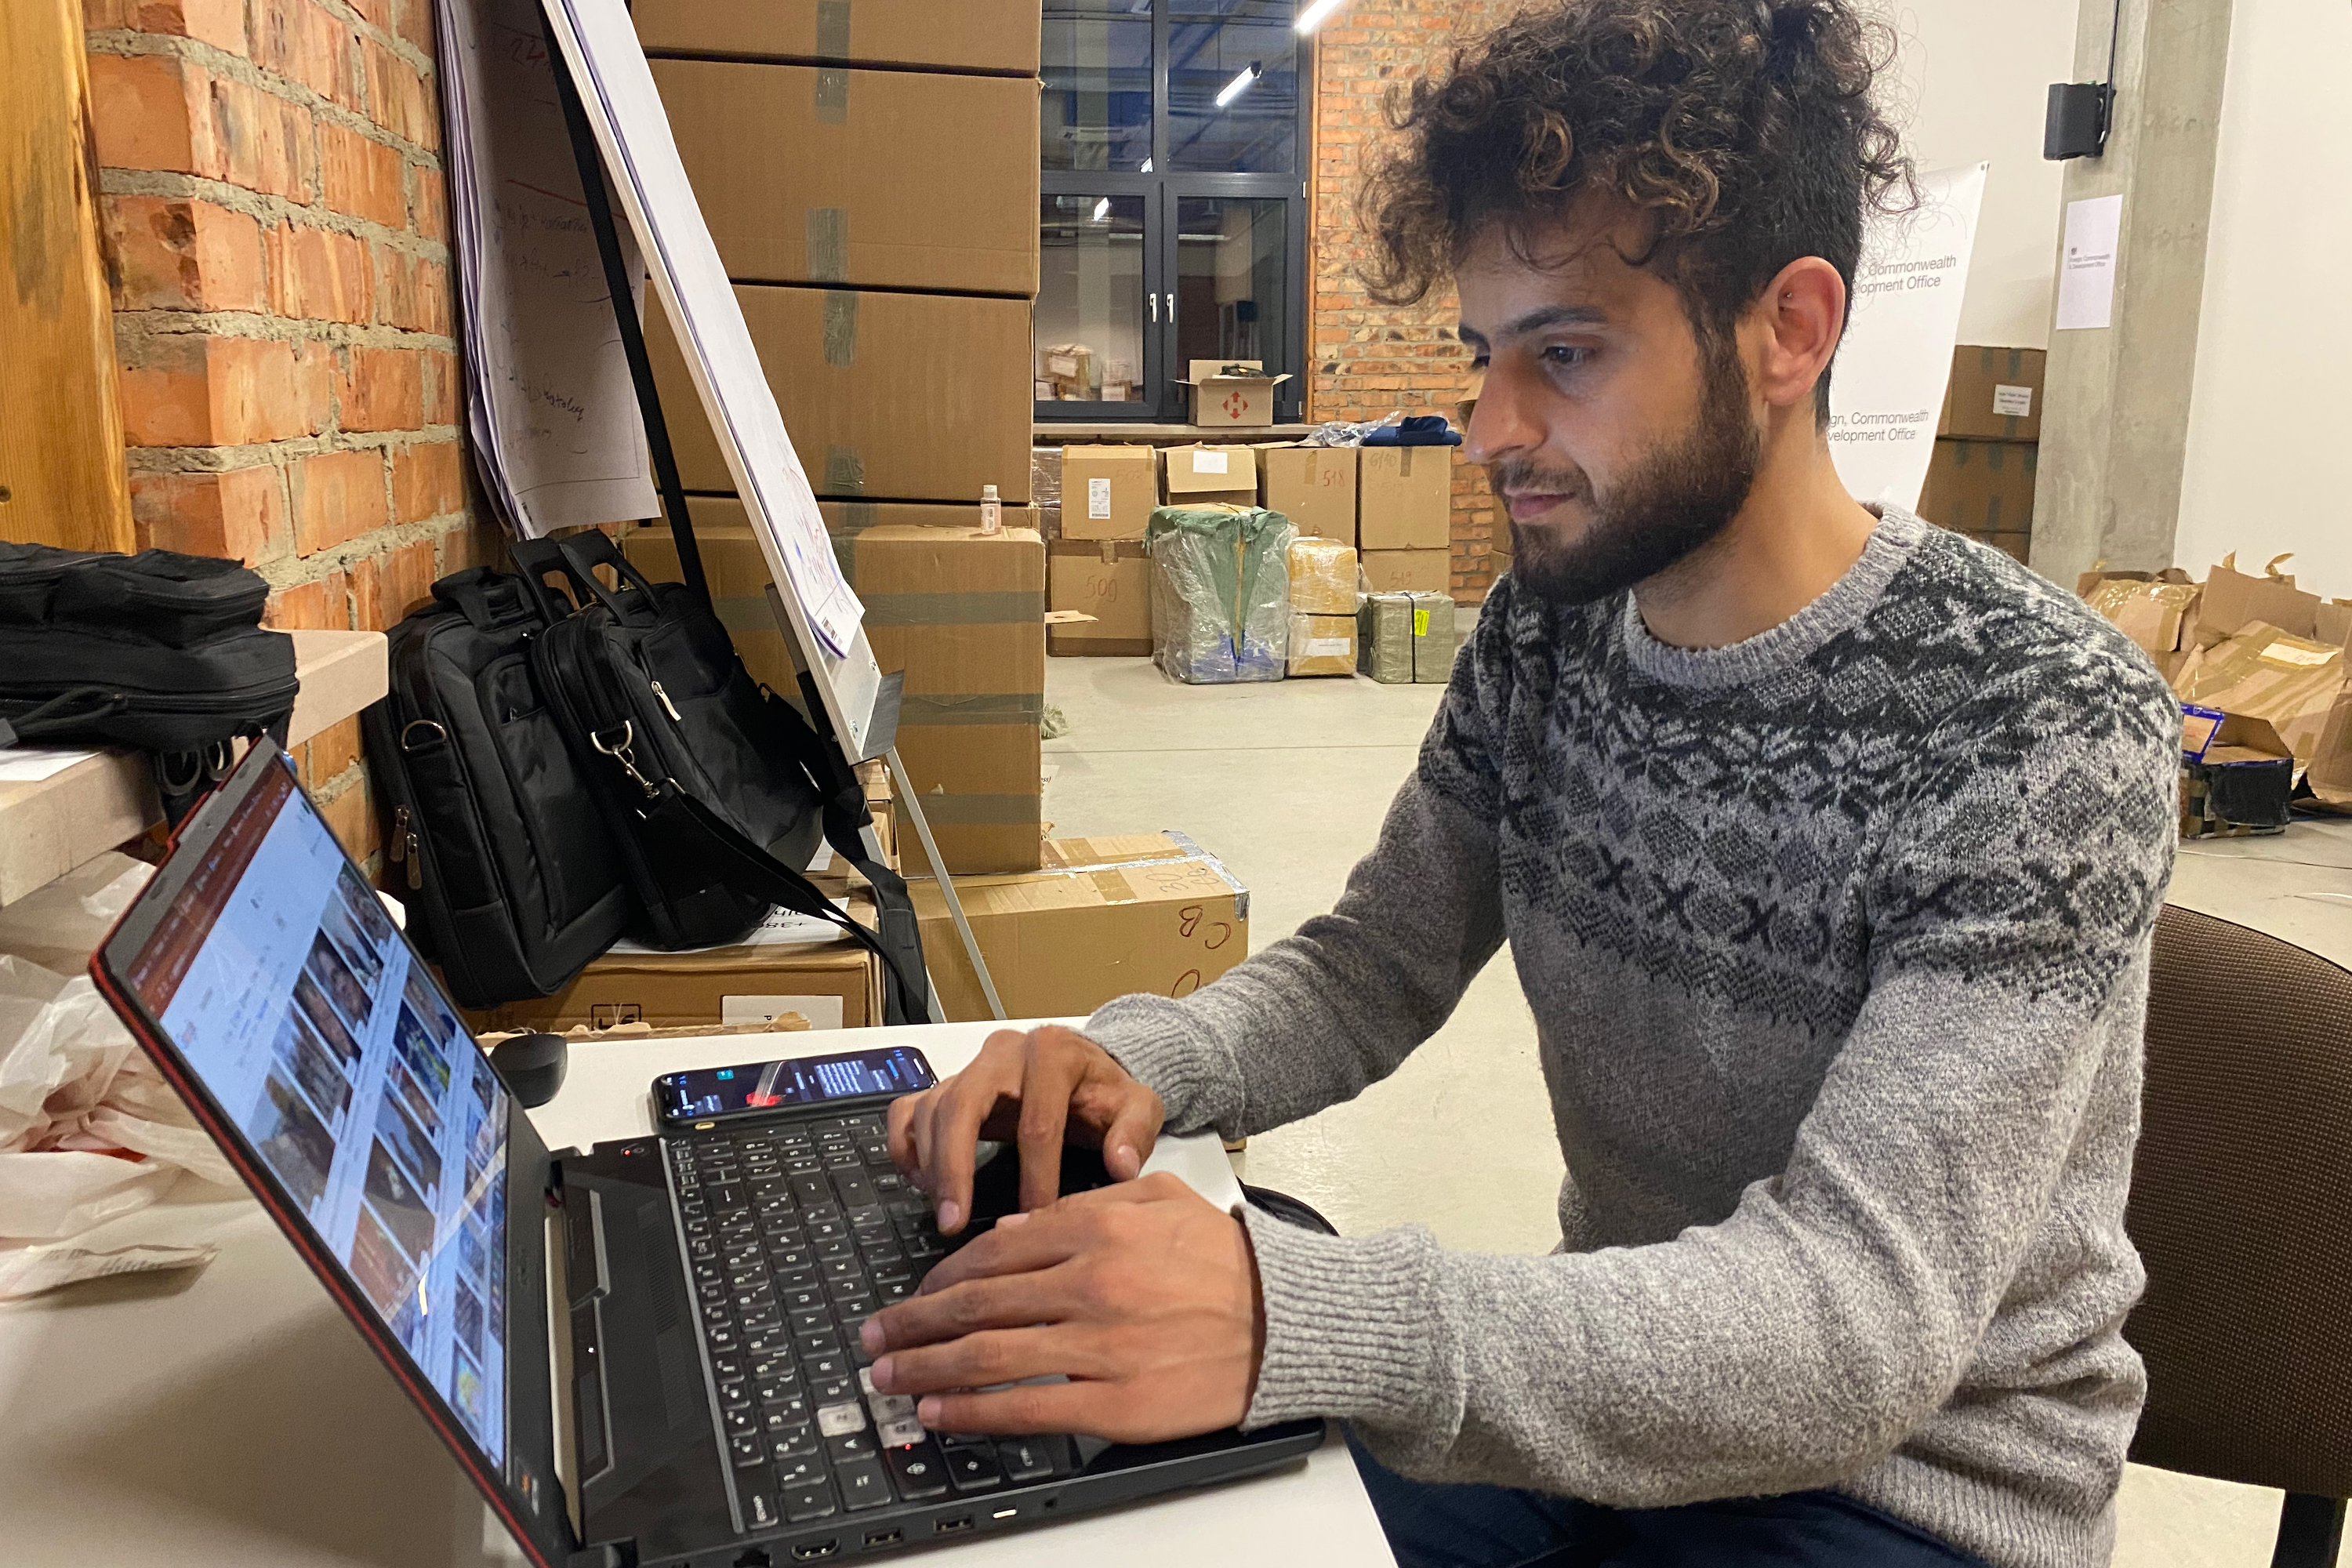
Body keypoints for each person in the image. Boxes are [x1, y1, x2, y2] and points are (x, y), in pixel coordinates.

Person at [858, 2, 2178, 1564]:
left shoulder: (2039, 720)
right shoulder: (1553, 632)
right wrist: (1133, 1064)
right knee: (1050, 1450)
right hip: (1609, 1409)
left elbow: (1854, 1322)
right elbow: (1373, 967)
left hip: (1909, 1497)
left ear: (1791, 330)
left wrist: (1301, 1314)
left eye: (1565, 355)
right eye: (1489, 357)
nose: (1493, 432)